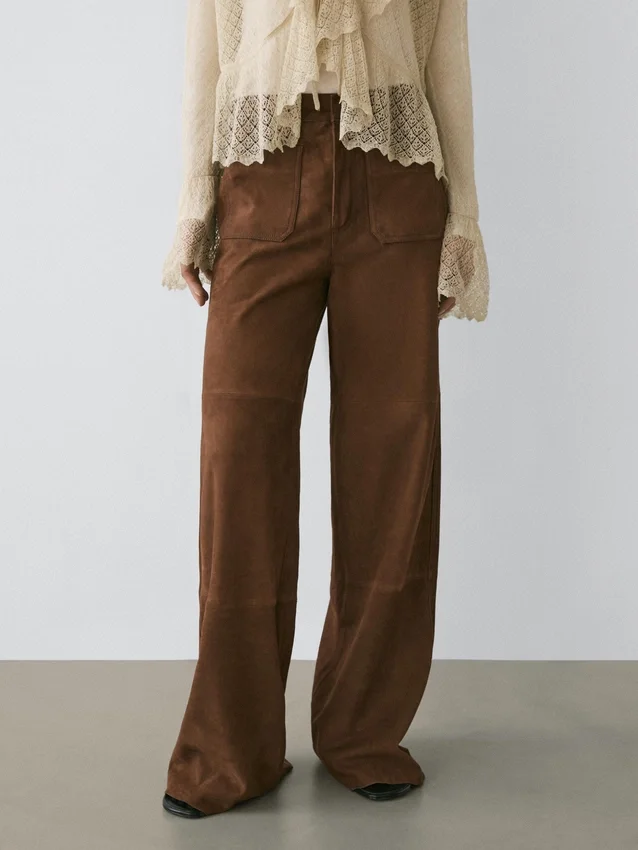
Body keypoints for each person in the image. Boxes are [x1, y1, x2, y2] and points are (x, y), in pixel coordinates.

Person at [160, 0, 489, 819]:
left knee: (392, 458)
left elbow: (446, 52)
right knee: (238, 462)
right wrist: (193, 207)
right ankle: (230, 748)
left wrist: (465, 218)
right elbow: (207, 51)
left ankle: (363, 732)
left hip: (396, 171)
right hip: (262, 167)